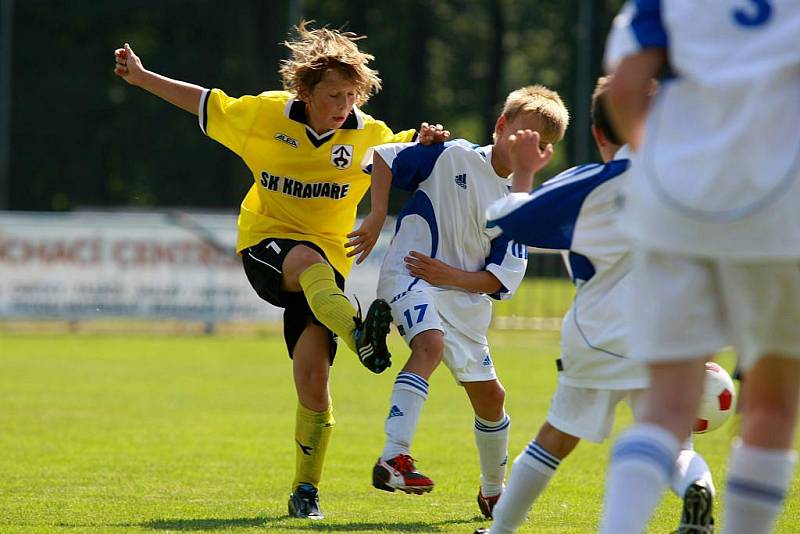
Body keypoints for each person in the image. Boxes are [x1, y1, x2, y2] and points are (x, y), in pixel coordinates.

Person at [113, 20, 447, 520]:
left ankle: (305, 491)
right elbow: (205, 100)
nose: (343, 106)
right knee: (308, 263)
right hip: (266, 246)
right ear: (304, 90)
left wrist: (429, 140)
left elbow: (412, 155)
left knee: (313, 379)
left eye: (352, 95)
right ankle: (361, 336)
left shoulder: (370, 136)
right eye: (334, 94)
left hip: (326, 272)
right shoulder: (265, 115)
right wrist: (143, 78)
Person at [476, 76, 715, 534]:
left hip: (603, 335)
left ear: (598, 133)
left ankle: (500, 531)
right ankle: (696, 492)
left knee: (556, 437)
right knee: (674, 444)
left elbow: (508, 222)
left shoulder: (590, 185)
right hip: (673, 336)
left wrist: (525, 172)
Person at [599, 2, 800, 533]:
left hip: (676, 200)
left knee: (663, 410)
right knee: (773, 408)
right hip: (781, 203)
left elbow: (623, 89)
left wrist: (671, 168)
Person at [358, 86, 568, 518]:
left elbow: (497, 281)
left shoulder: (522, 206)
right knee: (429, 346)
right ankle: (393, 456)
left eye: (540, 144)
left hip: (464, 300)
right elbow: (384, 157)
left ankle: (493, 492)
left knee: (492, 399)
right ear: (501, 126)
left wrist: (450, 276)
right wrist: (378, 215)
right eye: (523, 134)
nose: (529, 147)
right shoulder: (450, 153)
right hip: (410, 273)